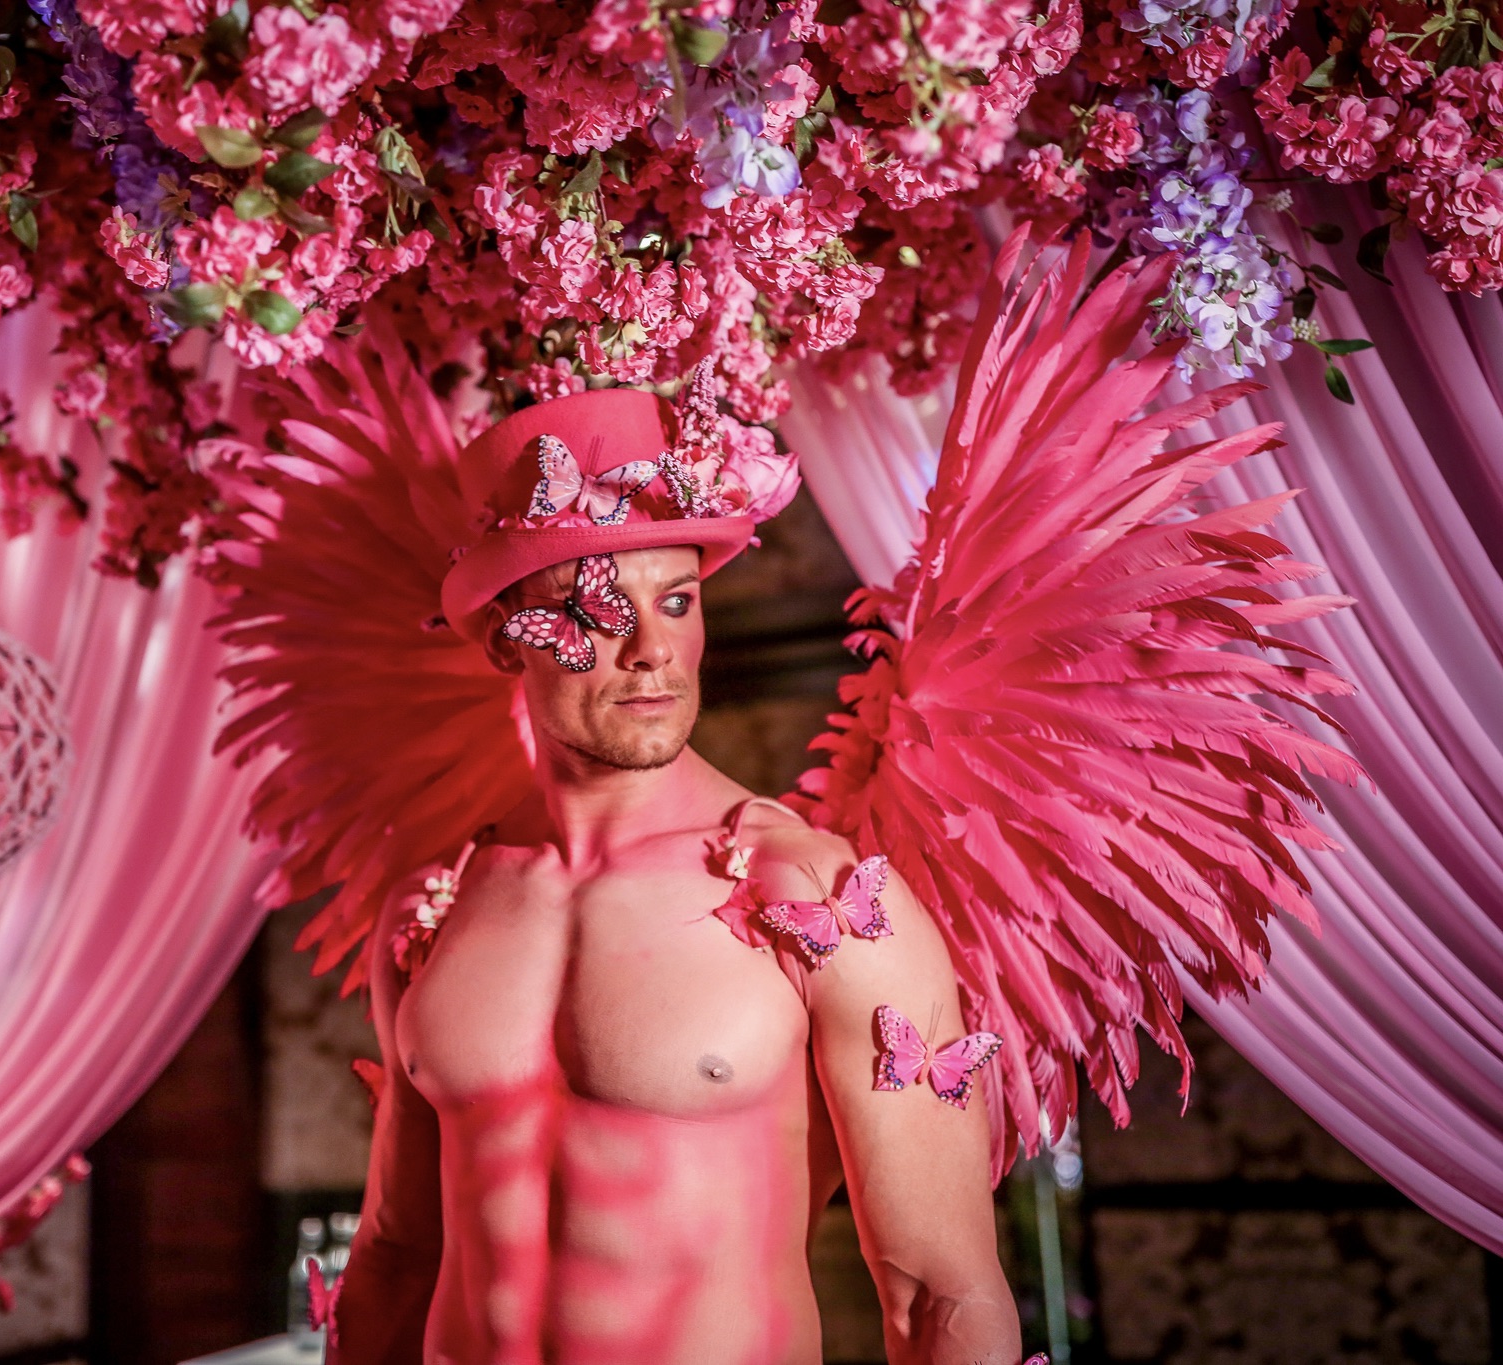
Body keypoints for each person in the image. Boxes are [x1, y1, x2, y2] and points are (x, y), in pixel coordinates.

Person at [214, 234, 1354, 1365]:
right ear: (507, 638)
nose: (649, 649)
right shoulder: (431, 912)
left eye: (676, 600)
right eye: (594, 606)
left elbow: (939, 1293)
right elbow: (396, 1254)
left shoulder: (817, 901)